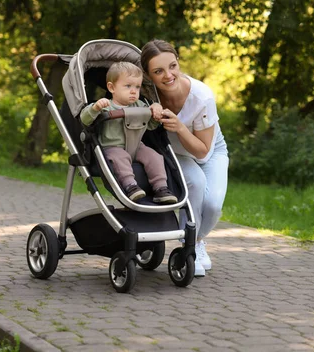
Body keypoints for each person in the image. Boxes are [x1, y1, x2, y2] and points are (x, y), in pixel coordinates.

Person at [140, 39, 229, 277]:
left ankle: (197, 241)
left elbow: (202, 150)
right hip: (176, 153)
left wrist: (180, 127)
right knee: (195, 185)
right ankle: (188, 249)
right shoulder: (147, 94)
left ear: (178, 62)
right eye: (158, 71)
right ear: (148, 75)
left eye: (172, 66)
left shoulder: (202, 97)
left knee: (213, 204)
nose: (168, 75)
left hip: (210, 151)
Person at [80, 61, 177, 204]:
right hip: (112, 147)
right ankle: (130, 186)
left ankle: (161, 188)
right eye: (128, 86)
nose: (134, 91)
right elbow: (85, 119)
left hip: (136, 146)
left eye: (137, 87)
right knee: (121, 157)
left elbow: (150, 126)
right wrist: (94, 108)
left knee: (154, 156)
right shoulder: (106, 105)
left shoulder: (140, 105)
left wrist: (156, 111)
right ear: (111, 87)